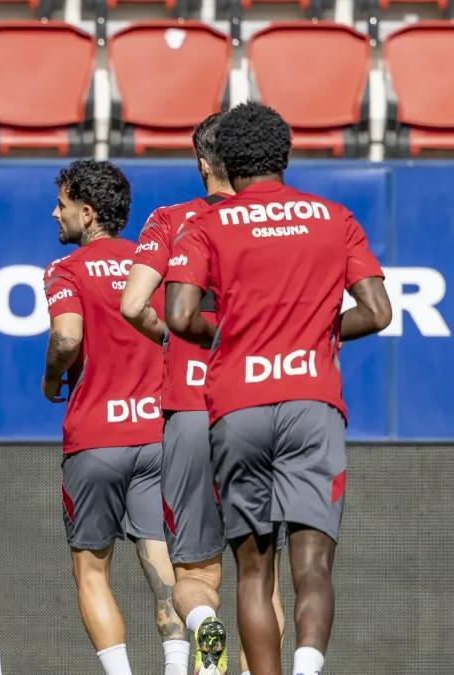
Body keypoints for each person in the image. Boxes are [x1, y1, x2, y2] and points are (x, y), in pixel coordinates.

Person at [165, 102, 392, 675]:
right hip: (312, 401)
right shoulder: (333, 217)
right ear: (284, 156)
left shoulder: (206, 225)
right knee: (312, 565)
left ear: (225, 164)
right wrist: (314, 331)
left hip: (238, 404)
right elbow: (379, 311)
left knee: (252, 571)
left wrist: (233, 329)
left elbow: (178, 312)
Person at [120, 113, 285, 675]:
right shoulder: (270, 223)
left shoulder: (170, 219)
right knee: (262, 578)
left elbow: (131, 303)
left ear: (201, 162)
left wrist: (174, 335)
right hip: (257, 405)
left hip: (189, 408)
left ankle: (201, 625)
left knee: (195, 576)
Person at [41, 160, 186, 675]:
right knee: (161, 558)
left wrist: (51, 377)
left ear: (87, 212)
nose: (54, 213)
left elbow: (67, 337)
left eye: (61, 205)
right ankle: (178, 661)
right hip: (155, 433)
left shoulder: (66, 270)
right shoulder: (153, 264)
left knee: (91, 571)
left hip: (97, 439)